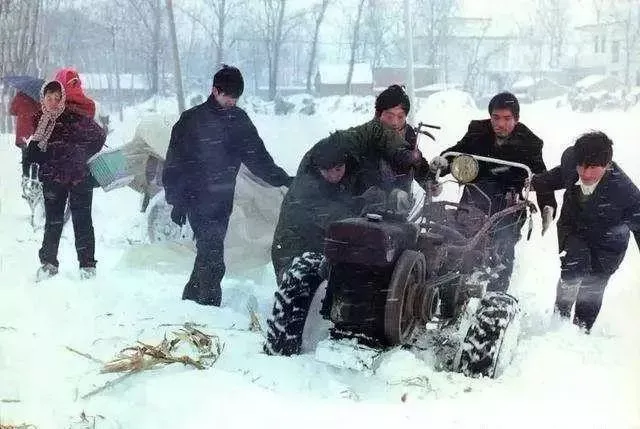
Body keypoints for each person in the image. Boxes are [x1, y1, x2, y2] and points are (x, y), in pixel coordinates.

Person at [163, 65, 292, 307]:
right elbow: (174, 164)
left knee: (208, 252)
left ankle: (190, 301)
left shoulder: (238, 121)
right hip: (196, 199)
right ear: (215, 91)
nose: (232, 101)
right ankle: (209, 308)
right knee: (213, 256)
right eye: (228, 96)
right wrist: (177, 201)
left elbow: (258, 158)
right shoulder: (191, 120)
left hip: (223, 201)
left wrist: (284, 179)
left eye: (236, 97)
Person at [431, 91, 557, 292]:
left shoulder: (530, 142)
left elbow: (541, 177)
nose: (500, 124)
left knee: (504, 244)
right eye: (496, 118)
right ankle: (449, 284)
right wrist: (443, 164)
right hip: (476, 194)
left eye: (507, 119)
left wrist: (547, 206)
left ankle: (497, 295)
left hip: (507, 202)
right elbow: (457, 152)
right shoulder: (477, 131)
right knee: (457, 236)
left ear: (516, 119)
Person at [266, 133, 368, 356]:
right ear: (318, 168)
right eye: (327, 171)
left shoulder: (348, 169)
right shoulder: (306, 188)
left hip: (323, 246)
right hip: (293, 250)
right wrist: (365, 208)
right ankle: (286, 349)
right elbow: (335, 218)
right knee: (300, 287)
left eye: (338, 169)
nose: (333, 175)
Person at [530, 131, 640, 333]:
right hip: (574, 230)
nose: (586, 174)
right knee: (573, 268)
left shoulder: (626, 193)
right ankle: (559, 321)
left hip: (608, 245)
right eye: (582, 166)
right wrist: (528, 185)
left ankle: (581, 332)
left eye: (593, 168)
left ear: (607, 165)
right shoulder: (571, 164)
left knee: (593, 288)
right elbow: (552, 179)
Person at [24, 80, 106, 281]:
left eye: (57, 98)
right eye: (49, 98)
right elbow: (35, 153)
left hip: (79, 178)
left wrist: (81, 154)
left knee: (82, 221)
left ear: (62, 99)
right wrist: (36, 155)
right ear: (43, 99)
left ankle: (87, 266)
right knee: (53, 222)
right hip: (53, 179)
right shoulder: (40, 121)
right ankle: (49, 264)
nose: (53, 102)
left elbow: (99, 136)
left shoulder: (74, 117)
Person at [374, 84, 432, 193]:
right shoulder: (367, 137)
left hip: (404, 199)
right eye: (390, 117)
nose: (395, 123)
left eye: (400, 117)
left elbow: (417, 164)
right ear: (378, 115)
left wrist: (429, 182)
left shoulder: (407, 132)